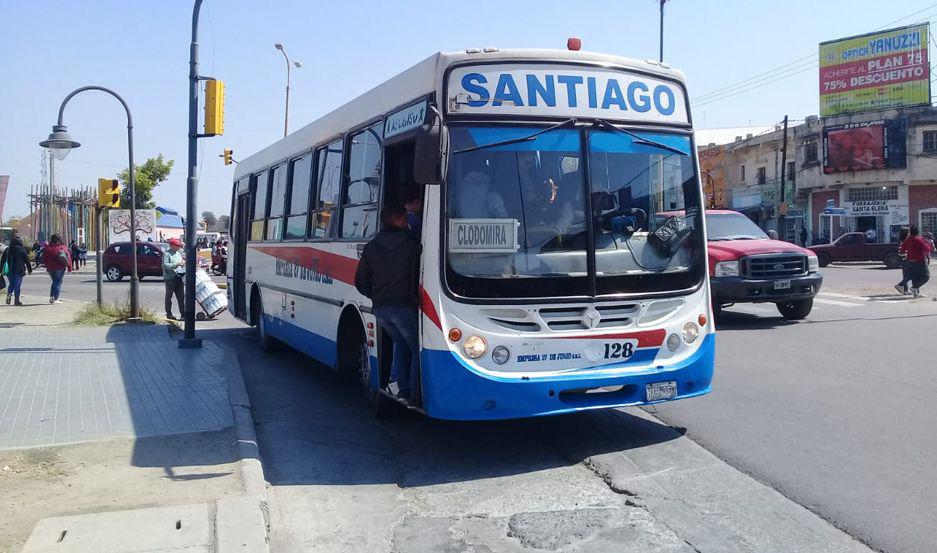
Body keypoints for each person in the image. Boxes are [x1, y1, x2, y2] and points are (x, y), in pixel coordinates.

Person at [354, 206, 421, 405]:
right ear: (397, 220)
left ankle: (398, 385)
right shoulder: (411, 245)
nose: (407, 222)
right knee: (418, 348)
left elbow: (360, 280)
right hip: (403, 306)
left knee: (400, 342)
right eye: (404, 218)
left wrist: (375, 295)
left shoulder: (371, 246)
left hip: (381, 308)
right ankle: (414, 394)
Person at [902, 225, 934, 298]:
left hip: (909, 261)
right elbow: (927, 249)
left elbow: (902, 250)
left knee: (915, 277)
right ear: (917, 232)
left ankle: (916, 294)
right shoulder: (918, 239)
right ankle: (914, 288)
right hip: (919, 261)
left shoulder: (908, 240)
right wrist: (929, 246)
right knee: (926, 276)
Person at [2, 235, 33, 305]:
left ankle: (9, 295)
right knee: (17, 286)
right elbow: (27, 261)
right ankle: (16, 301)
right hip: (19, 270)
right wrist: (29, 270)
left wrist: (1, 269)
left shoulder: (7, 250)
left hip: (9, 271)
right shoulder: (22, 250)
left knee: (11, 284)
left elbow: (3, 260)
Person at [41, 234, 72, 304]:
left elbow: (44, 258)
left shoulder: (47, 248)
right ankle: (55, 298)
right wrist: (69, 267)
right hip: (59, 268)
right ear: (58, 240)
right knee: (57, 282)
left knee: (55, 282)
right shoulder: (62, 247)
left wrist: (46, 265)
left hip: (50, 268)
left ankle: (52, 297)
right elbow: (68, 257)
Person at [162, 238, 186, 320]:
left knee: (181, 297)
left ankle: (183, 314)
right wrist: (176, 264)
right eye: (177, 246)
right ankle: (169, 314)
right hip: (170, 278)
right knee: (169, 297)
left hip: (179, 277)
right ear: (172, 245)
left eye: (179, 246)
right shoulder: (167, 254)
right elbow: (165, 265)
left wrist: (183, 264)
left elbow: (181, 262)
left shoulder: (178, 254)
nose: (178, 247)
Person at [895, 227, 911, 295]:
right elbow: (901, 252)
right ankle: (900, 285)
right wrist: (907, 256)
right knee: (912, 275)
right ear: (905, 233)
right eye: (909, 232)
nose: (910, 234)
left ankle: (905, 290)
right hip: (907, 261)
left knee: (906, 276)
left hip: (905, 261)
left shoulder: (903, 241)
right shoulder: (903, 242)